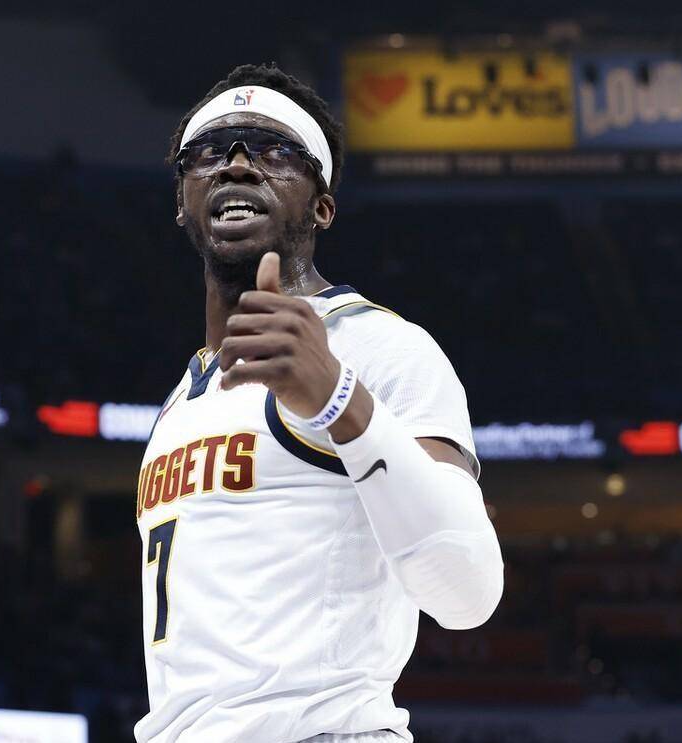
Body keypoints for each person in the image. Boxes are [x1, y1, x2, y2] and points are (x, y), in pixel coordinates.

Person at [133, 63, 504, 743]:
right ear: (183, 201)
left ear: (322, 206)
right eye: (208, 152)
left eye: (274, 150)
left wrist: (339, 400)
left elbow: (468, 592)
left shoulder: (381, 345)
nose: (237, 164)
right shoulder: (178, 402)